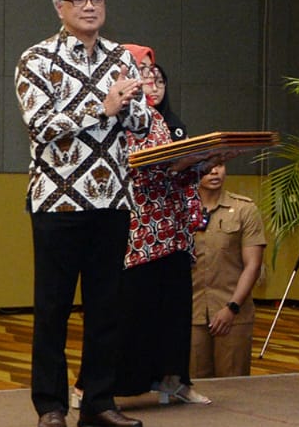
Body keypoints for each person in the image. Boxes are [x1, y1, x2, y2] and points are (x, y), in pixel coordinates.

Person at [16, 0, 153, 427]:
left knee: (106, 308)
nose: (91, 6)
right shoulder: (36, 59)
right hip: (57, 202)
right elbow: (42, 125)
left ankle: (98, 401)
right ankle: (50, 406)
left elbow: (139, 124)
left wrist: (132, 103)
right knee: (52, 307)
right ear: (61, 8)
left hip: (112, 198)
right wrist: (104, 106)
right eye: (80, 0)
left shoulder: (123, 57)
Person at [113, 45, 212, 406]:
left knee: (173, 308)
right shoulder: (114, 115)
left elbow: (177, 174)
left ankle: (175, 379)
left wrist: (202, 160)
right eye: (143, 73)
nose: (151, 82)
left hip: (172, 227)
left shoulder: (162, 121)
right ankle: (95, 386)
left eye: (156, 76)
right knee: (130, 312)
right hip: (136, 229)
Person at [191, 162, 266, 378]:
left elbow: (253, 264)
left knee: (233, 386)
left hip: (233, 313)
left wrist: (231, 308)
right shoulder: (182, 210)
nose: (215, 171)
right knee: (194, 384)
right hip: (192, 313)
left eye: (220, 165)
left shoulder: (244, 209)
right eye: (207, 166)